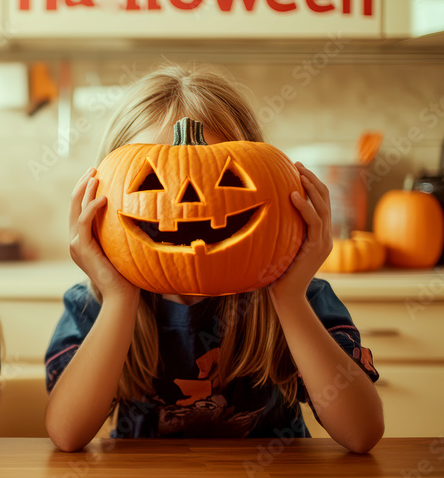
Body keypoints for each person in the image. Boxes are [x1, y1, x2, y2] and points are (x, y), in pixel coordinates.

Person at [45, 65, 383, 453]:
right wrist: (119, 296)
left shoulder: (301, 296)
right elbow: (67, 434)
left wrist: (289, 295)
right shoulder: (93, 302)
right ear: (97, 197)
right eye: (152, 180)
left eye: (225, 177)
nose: (187, 199)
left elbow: (362, 432)